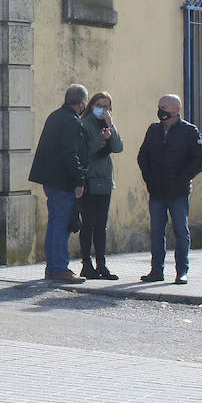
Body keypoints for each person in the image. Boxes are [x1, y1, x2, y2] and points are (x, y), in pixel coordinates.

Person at [137, 94, 202, 285]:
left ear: (176, 110)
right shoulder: (154, 130)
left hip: (178, 192)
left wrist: (183, 177)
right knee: (157, 232)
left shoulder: (189, 132)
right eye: (159, 106)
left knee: (180, 231)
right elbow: (143, 156)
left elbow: (199, 159)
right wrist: (149, 179)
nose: (160, 110)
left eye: (164, 106)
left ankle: (181, 271)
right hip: (157, 191)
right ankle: (156, 271)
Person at [28, 84, 90, 283]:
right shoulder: (71, 121)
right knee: (61, 224)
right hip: (62, 180)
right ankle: (60, 268)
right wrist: (79, 179)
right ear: (81, 103)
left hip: (50, 178)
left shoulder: (55, 116)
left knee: (55, 223)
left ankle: (52, 267)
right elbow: (70, 153)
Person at [76, 92, 124, 281]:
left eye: (106, 106)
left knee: (101, 225)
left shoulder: (107, 124)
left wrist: (110, 128)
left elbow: (118, 147)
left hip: (104, 180)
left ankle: (102, 264)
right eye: (99, 104)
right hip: (89, 179)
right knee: (88, 223)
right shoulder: (84, 123)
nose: (102, 109)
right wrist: (100, 140)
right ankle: (86, 264)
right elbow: (84, 151)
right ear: (91, 105)